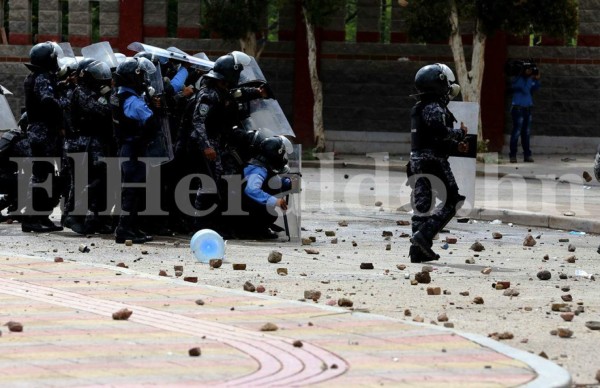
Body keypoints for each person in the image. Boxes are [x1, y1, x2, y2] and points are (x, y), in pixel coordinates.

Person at [407, 63, 469, 263]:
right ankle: (424, 236)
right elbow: (439, 132)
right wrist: (459, 135)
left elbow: (429, 136)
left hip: (416, 160)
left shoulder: (419, 107)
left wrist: (454, 146)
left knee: (422, 206)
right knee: (453, 201)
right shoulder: (435, 107)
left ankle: (418, 252)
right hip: (433, 160)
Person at [110, 57, 161, 244]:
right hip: (134, 149)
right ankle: (124, 229)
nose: (145, 80)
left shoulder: (118, 94)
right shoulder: (133, 102)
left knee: (131, 189)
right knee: (133, 190)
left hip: (126, 147)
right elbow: (151, 124)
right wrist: (156, 110)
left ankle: (130, 227)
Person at [21, 41, 70, 232]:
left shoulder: (35, 76)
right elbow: (48, 101)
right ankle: (33, 219)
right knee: (42, 176)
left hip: (39, 132)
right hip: (44, 134)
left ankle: (40, 217)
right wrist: (65, 99)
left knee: (44, 175)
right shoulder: (42, 78)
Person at [62, 60, 114, 234]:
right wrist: (108, 99)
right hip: (81, 143)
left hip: (93, 144)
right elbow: (100, 111)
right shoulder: (81, 92)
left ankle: (94, 219)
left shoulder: (91, 91)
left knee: (99, 180)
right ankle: (73, 216)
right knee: (83, 181)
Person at [239, 136, 292, 239]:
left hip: (243, 204)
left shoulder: (260, 164)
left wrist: (288, 183)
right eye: (282, 154)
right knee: (269, 214)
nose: (283, 157)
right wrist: (275, 201)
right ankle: (255, 230)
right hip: (243, 207)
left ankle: (259, 228)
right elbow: (251, 189)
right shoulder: (258, 169)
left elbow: (272, 182)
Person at [509, 62, 540, 163]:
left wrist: (536, 79)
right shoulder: (518, 80)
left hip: (527, 109)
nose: (530, 72)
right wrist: (531, 78)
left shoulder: (529, 79)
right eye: (528, 69)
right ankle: (513, 155)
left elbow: (536, 88)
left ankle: (527, 155)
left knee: (526, 133)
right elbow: (526, 90)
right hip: (518, 109)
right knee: (516, 132)